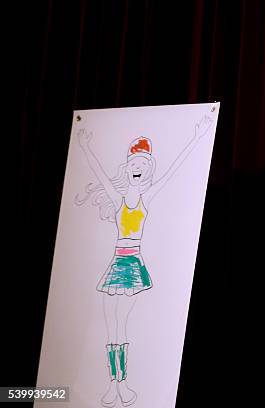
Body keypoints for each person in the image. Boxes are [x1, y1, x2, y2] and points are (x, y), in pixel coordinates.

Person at [76, 115, 212, 407]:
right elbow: (99, 175)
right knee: (110, 329)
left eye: (143, 165)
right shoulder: (118, 196)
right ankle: (113, 385)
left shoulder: (147, 197)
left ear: (148, 169)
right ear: (128, 168)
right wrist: (85, 147)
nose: (138, 169)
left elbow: (174, 170)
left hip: (131, 266)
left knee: (121, 327)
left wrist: (198, 136)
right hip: (115, 263)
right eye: (134, 165)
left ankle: (121, 385)